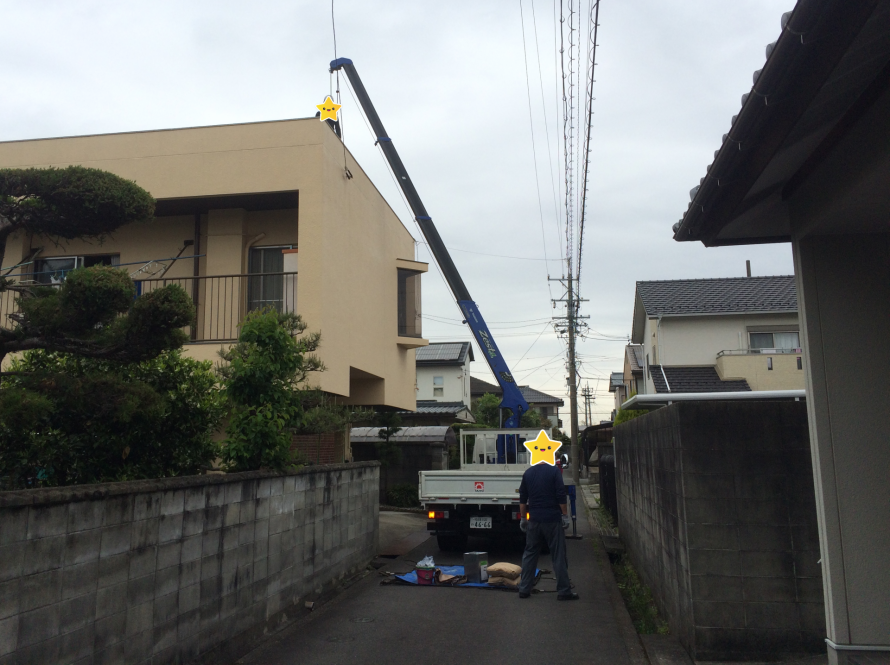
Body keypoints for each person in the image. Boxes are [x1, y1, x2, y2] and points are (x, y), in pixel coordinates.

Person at [517, 459, 579, 600]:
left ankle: (524, 589)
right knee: (558, 555)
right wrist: (565, 515)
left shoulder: (528, 473)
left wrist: (523, 518)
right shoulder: (554, 472)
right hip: (552, 519)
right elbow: (561, 496)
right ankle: (564, 591)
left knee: (530, 553)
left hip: (534, 520)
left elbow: (522, 498)